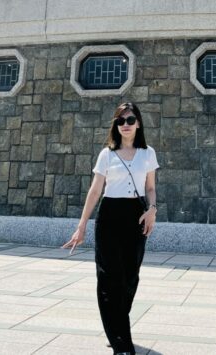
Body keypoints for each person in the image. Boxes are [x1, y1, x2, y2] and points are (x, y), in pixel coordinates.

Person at [63, 102, 158, 355]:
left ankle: (115, 323)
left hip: (136, 217)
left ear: (138, 123)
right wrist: (81, 225)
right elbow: (95, 191)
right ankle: (121, 344)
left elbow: (150, 187)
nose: (125, 125)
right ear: (115, 125)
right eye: (120, 121)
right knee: (109, 279)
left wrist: (152, 210)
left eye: (130, 120)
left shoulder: (148, 153)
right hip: (109, 217)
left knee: (130, 277)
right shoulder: (107, 154)